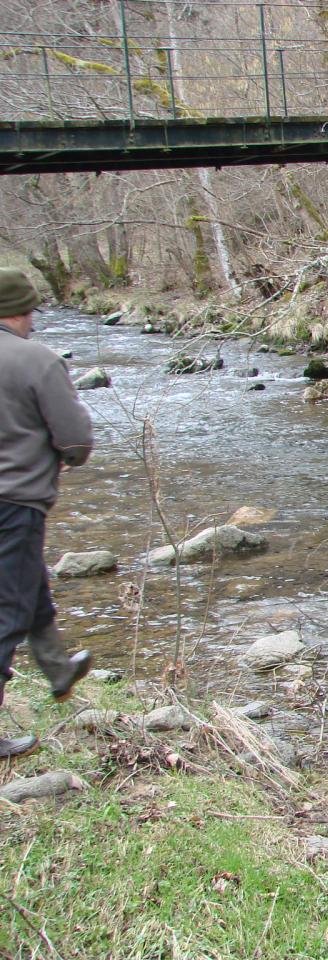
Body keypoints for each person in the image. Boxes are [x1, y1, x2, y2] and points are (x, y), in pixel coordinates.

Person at [0, 269, 95, 759]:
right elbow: (76, 439)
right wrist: (69, 456)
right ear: (20, 310)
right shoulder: (37, 361)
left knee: (27, 587)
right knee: (7, 612)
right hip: (14, 503)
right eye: (32, 311)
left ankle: (57, 668)